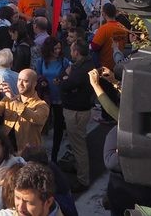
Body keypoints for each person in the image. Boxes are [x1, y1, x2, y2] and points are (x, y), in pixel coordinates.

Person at [59, 40, 95, 193]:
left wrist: (64, 79)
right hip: (81, 108)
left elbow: (66, 84)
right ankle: (79, 169)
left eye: (72, 50)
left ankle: (83, 180)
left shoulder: (80, 70)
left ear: (76, 52)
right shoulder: (87, 65)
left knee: (78, 146)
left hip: (76, 111)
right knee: (77, 143)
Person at [0, 69, 50, 152]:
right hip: (6, 150)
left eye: (25, 81)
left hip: (26, 153)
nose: (20, 84)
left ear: (34, 84)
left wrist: (13, 100)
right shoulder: (9, 99)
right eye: (19, 80)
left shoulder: (41, 105)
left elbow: (35, 118)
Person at [35, 37, 69, 163]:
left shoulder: (64, 61)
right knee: (43, 125)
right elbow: (37, 76)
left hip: (60, 97)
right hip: (46, 98)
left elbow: (69, 74)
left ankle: (54, 155)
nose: (58, 51)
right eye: (55, 48)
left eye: (59, 48)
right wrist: (42, 82)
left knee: (58, 126)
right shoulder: (41, 61)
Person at [90, 3, 129, 70]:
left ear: (104, 14)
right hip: (118, 65)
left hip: (105, 67)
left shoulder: (104, 29)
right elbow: (124, 43)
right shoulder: (122, 27)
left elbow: (94, 47)